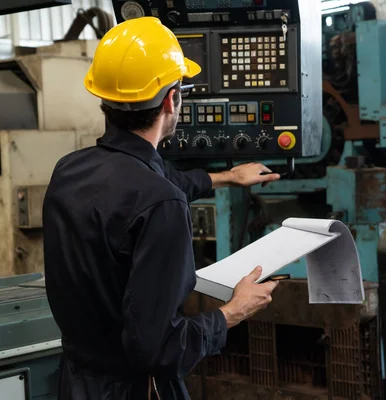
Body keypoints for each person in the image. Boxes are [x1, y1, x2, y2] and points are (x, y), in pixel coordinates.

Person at [42, 16, 281, 400]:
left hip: (76, 384)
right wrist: (234, 311)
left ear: (105, 100)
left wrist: (228, 176)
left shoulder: (70, 170)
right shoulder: (160, 203)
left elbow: (161, 181)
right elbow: (162, 350)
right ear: (172, 100)